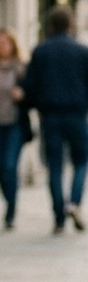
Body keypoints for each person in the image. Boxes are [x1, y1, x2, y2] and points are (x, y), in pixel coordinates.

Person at [22, 6, 88, 234]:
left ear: (50, 26)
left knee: (54, 165)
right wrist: (85, 104)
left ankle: (58, 218)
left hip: (50, 115)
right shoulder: (82, 51)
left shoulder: (40, 51)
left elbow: (30, 87)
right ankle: (75, 203)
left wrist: (39, 105)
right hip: (77, 113)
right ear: (70, 26)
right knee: (81, 161)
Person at [0, 30, 27, 230]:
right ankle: (9, 199)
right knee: (2, 170)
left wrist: (22, 95)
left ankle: (11, 208)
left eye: (5, 42)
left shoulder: (21, 68)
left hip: (15, 124)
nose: (2, 46)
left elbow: (33, 92)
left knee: (9, 166)